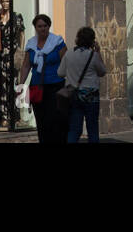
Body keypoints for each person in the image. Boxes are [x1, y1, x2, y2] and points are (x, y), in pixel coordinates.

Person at [19, 14, 68, 143]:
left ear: (49, 26)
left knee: (54, 119)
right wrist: (21, 85)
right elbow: (25, 66)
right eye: (40, 26)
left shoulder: (57, 42)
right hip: (36, 87)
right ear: (35, 27)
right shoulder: (31, 44)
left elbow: (67, 63)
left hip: (56, 85)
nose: (43, 29)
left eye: (45, 26)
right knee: (40, 120)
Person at [61, 26, 108, 143]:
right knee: (92, 128)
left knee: (74, 129)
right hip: (91, 96)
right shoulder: (93, 55)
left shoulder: (69, 54)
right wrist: (98, 52)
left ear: (78, 39)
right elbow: (102, 71)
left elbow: (60, 73)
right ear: (92, 41)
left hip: (74, 95)